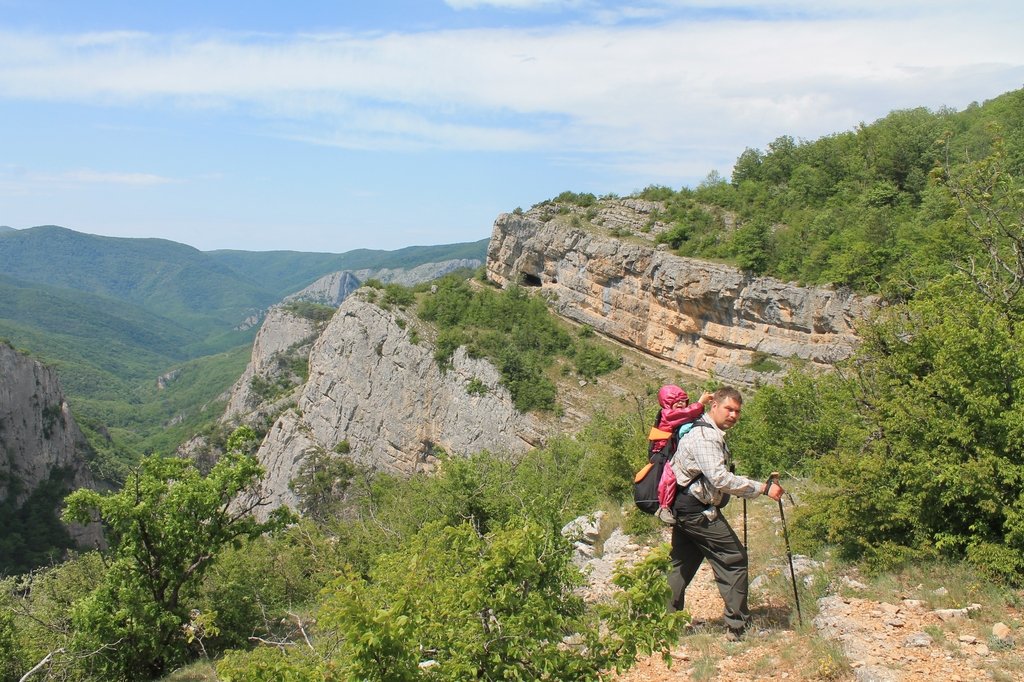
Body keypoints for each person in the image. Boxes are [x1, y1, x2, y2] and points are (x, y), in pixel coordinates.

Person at [666, 386, 784, 640]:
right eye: (728, 409)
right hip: (697, 510)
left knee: (681, 565)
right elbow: (720, 479)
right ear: (714, 406)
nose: (733, 415)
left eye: (737, 411)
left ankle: (661, 623)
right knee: (734, 559)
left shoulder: (700, 429)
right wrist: (762, 488)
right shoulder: (705, 436)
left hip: (683, 507)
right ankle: (738, 627)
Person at [649, 385, 714, 525]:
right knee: (670, 475)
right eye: (675, 401)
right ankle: (663, 507)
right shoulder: (667, 414)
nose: (680, 403)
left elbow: (689, 415)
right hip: (663, 453)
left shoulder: (677, 415)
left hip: (672, 450)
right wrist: (700, 403)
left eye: (683, 400)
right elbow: (686, 413)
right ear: (667, 403)